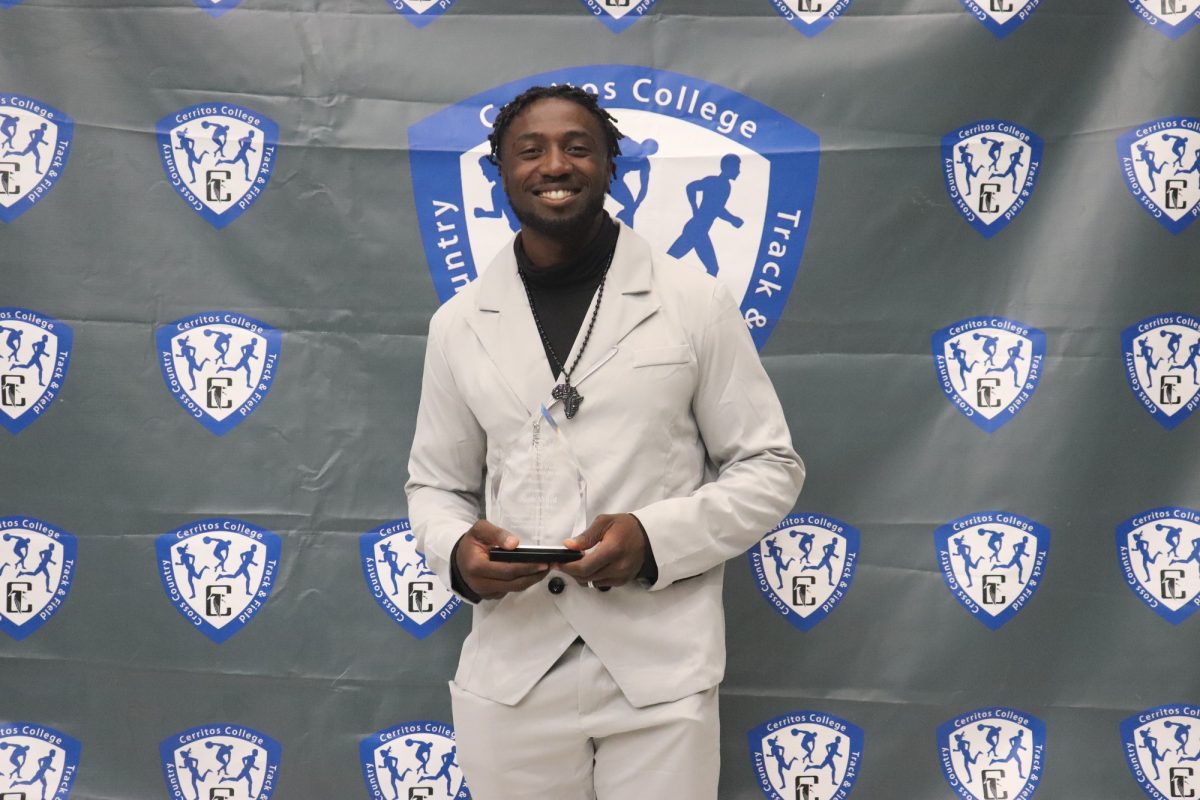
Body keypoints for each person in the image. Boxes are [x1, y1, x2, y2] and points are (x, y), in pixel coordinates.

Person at [406, 84, 804, 800]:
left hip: (659, 670)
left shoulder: (692, 301)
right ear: (499, 170)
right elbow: (435, 486)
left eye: (577, 146)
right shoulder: (459, 323)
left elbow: (768, 467)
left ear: (611, 166)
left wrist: (654, 538)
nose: (554, 164)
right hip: (514, 670)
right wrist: (458, 555)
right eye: (530, 150)